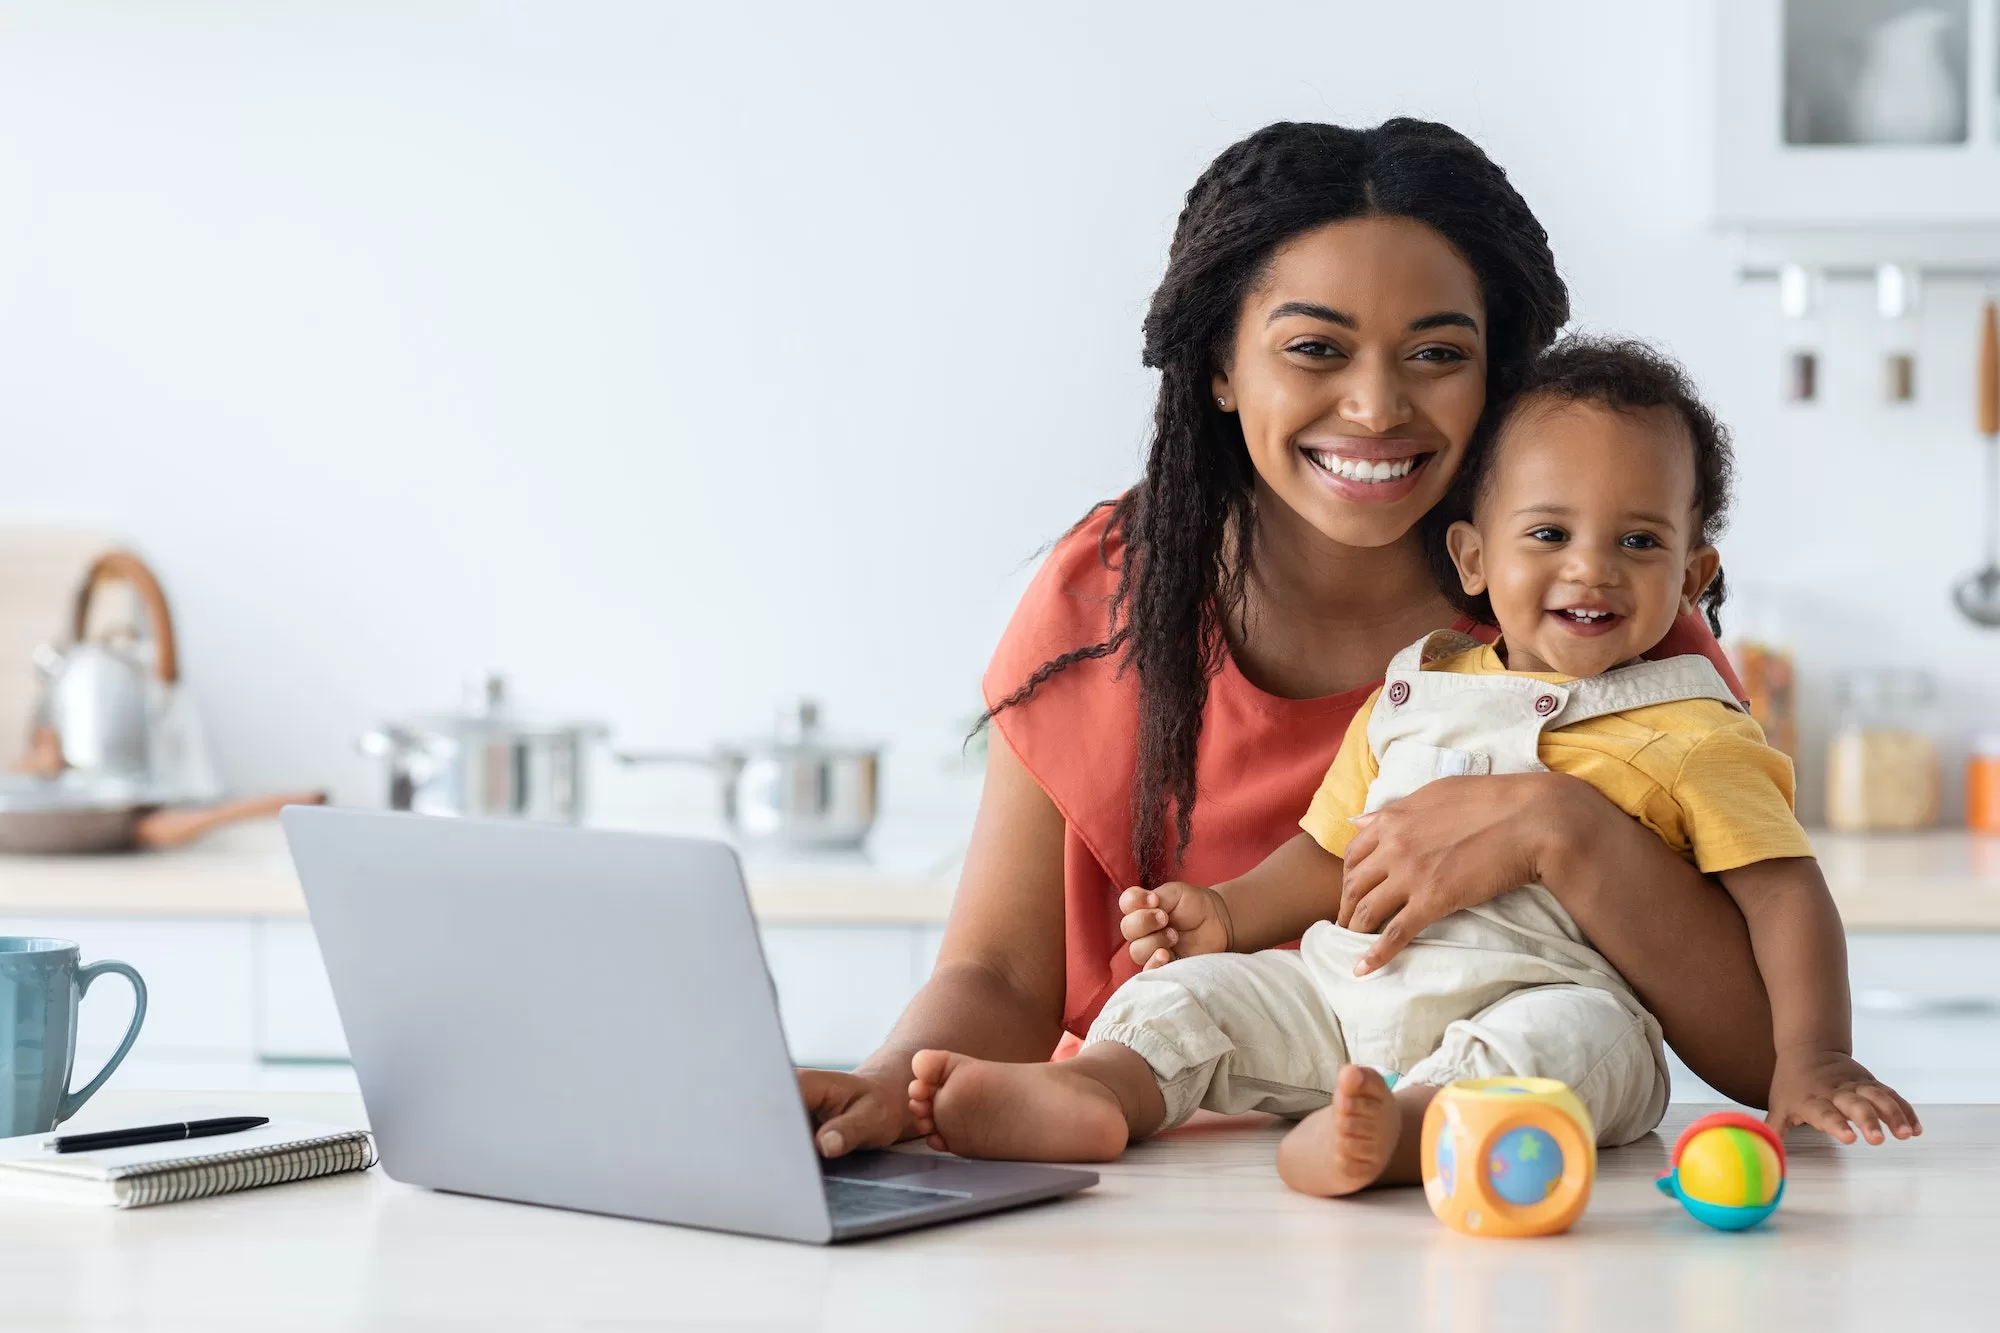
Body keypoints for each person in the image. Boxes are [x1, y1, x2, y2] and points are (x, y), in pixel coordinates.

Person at [801, 118, 1781, 1162]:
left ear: (1494, 377)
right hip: (1134, 1200)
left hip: (1467, 1198)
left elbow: (1764, 1050)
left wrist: (1560, 827)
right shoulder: (1108, 588)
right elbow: (997, 976)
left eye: (1437, 353)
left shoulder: (1590, 621)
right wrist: (883, 1090)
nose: (1373, 404)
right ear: (1220, 365)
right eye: (1313, 348)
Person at [902, 337, 1923, 1192]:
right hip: (1344, 996)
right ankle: (1101, 1090)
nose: (1590, 567)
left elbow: (1784, 894)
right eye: (1547, 533)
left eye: (1639, 540)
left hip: (1527, 1003)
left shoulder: (1694, 729)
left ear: (1694, 575)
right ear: (1474, 559)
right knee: (1199, 995)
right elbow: (1324, 854)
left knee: (1584, 1044)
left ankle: (1407, 1131)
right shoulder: (1411, 689)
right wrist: (1221, 914)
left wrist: (1813, 1055)